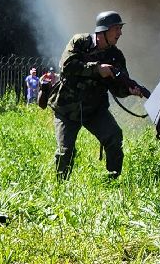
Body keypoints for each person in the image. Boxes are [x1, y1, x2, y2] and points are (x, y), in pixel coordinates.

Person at [49, 10, 149, 179]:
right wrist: (97, 69)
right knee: (65, 151)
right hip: (67, 108)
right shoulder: (80, 42)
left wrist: (129, 90)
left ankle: (113, 178)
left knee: (114, 137)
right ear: (103, 31)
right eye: (116, 28)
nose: (120, 33)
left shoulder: (116, 56)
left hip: (95, 110)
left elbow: (117, 88)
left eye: (120, 28)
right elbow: (67, 66)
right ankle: (60, 185)